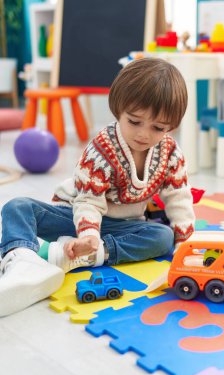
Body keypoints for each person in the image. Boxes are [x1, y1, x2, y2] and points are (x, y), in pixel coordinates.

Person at [0, 58, 195, 317]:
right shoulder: (101, 149)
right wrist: (88, 235)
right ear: (119, 110)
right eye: (134, 122)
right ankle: (22, 259)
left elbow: (179, 197)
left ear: (171, 126)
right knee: (17, 206)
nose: (144, 134)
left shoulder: (170, 152)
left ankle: (80, 255)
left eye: (158, 128)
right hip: (75, 215)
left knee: (163, 237)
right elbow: (88, 202)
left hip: (120, 227)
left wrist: (186, 246)